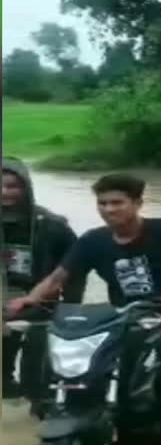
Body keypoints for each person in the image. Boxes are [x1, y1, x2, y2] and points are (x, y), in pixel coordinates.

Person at [6, 174, 161, 444]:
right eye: (103, 203)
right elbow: (57, 278)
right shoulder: (92, 241)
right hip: (120, 316)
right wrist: (29, 299)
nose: (109, 209)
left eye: (117, 202)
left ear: (137, 203)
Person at [2, 157, 82, 409]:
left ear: (26, 187)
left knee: (37, 361)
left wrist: (71, 308)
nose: (5, 193)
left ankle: (39, 398)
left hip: (41, 299)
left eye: (13, 186)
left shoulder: (52, 225)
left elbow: (75, 267)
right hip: (4, 298)